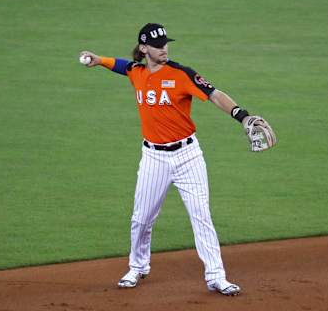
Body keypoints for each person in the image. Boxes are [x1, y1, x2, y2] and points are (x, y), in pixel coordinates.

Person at [80, 23, 261, 296]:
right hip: (153, 158)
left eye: (165, 43)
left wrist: (242, 115)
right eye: (157, 44)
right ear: (144, 49)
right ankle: (137, 266)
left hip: (188, 156)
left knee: (201, 216)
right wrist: (98, 60)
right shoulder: (137, 72)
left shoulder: (181, 73)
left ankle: (216, 276)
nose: (164, 47)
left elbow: (214, 94)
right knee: (141, 218)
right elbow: (121, 65)